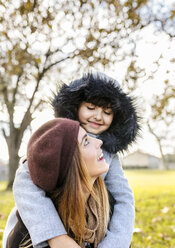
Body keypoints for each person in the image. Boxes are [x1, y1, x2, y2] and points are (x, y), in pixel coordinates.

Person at [3, 72, 140, 248]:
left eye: (107, 112)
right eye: (91, 108)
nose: (98, 116)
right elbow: (25, 180)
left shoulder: (108, 155)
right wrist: (54, 235)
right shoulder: (55, 137)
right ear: (76, 106)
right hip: (46, 225)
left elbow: (124, 197)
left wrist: (115, 243)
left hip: (85, 223)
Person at [6, 118, 110, 248]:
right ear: (70, 167)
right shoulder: (25, 238)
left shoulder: (106, 208)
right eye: (86, 142)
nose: (99, 142)